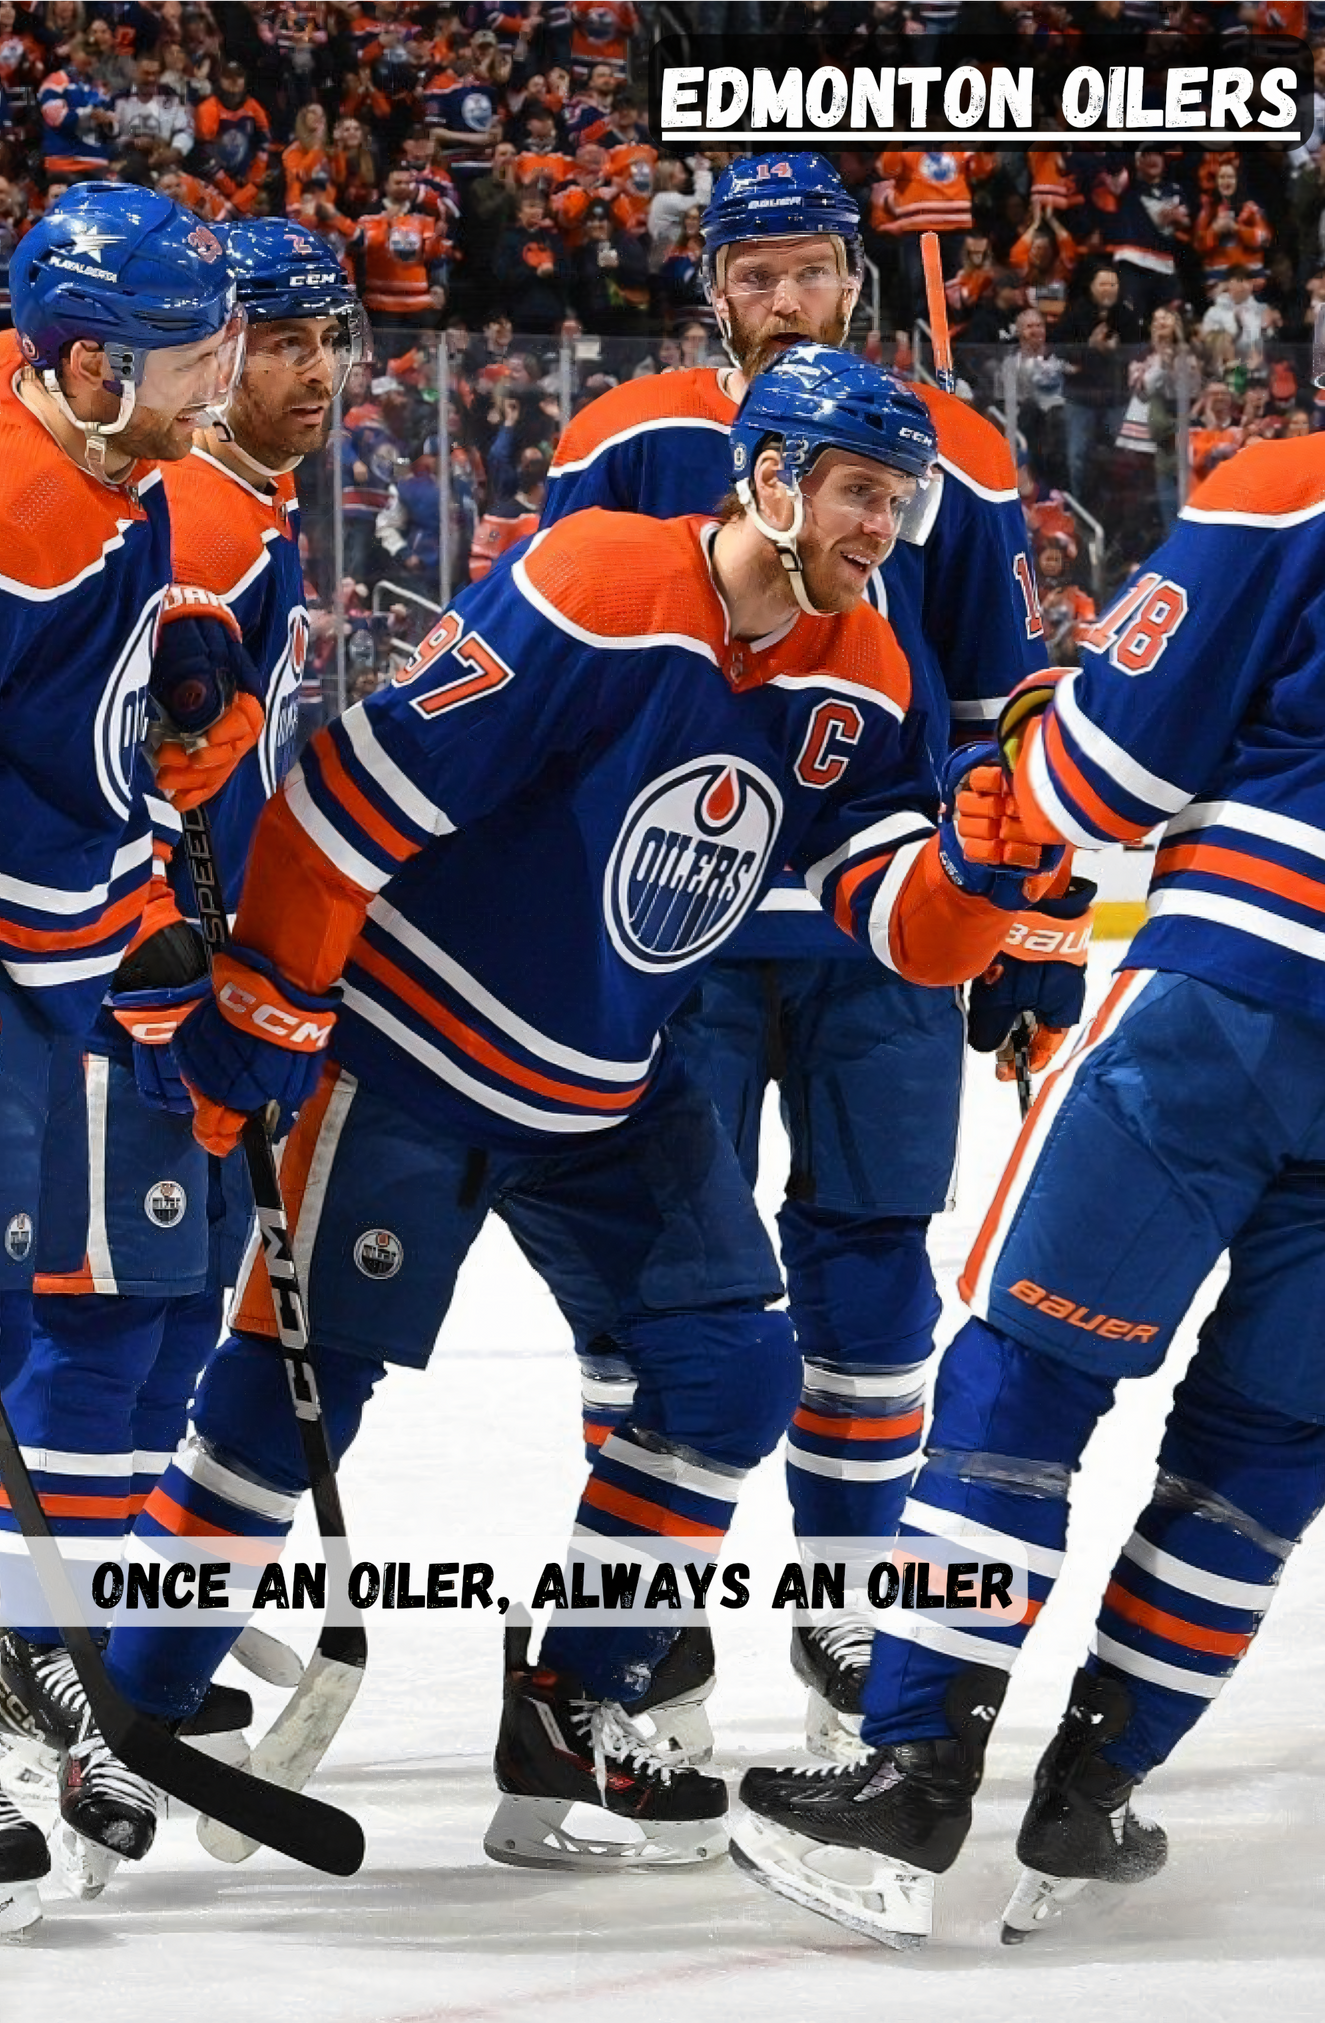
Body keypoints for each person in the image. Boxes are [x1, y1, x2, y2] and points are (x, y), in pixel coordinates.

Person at [64, 345, 1063, 1881]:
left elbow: (888, 913)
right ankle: (125, 1709)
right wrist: (271, 1000)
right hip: (412, 1050)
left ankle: (572, 1698)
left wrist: (983, 883)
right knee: (286, 1388)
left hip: (610, 1081)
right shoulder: (598, 581)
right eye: (863, 492)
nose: (886, 528)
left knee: (732, 1374)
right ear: (776, 476)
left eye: (902, 496)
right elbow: (351, 792)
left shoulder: (867, 671)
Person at [730, 215, 1325, 1949]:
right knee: (1267, 1439)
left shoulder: (1305, 482)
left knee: (1029, 1377)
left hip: (1231, 1004)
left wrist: (1024, 769)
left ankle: (907, 1778)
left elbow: (1109, 768)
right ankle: (1096, 1788)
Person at [539, 151, 1072, 1764]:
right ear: (710, 282)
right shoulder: (621, 444)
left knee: (869, 1271)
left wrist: (1028, 921)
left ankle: (841, 1588)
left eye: (811, 272)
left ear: (854, 274)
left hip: (878, 933)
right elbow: (558, 682)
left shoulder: (953, 457)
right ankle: (657, 1589)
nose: (784, 300)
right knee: (659, 1299)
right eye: (753, 274)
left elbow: (1006, 710)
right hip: (665, 935)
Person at [0, 219, 369, 1904]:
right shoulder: (104, 516)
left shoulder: (151, 504)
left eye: (281, 340)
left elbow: (117, 775)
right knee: (97, 1325)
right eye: (225, 345)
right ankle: (43, 1699)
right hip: (77, 998)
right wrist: (157, 925)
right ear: (94, 363)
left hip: (105, 977)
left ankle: (63, 1685)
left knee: (131, 1332)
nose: (252, 376)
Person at [0, 180, 244, 1936]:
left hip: (56, 987)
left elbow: (78, 766)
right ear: (89, 360)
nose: (208, 384)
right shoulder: (18, 512)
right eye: (184, 358)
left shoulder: (125, 486)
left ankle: (28, 1682)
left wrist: (147, 858)